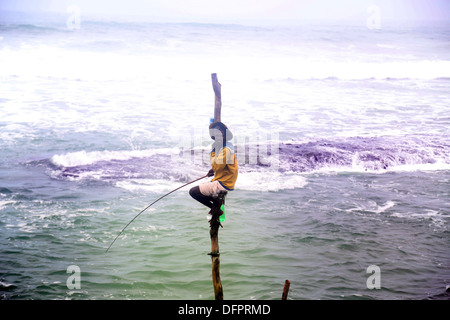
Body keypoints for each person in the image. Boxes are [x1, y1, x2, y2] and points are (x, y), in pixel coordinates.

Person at [189, 121, 238, 222]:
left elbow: (218, 167)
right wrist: (212, 170)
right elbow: (220, 166)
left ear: (225, 134)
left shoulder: (225, 149)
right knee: (204, 188)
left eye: (220, 132)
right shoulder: (224, 146)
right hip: (223, 179)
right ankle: (217, 205)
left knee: (193, 192)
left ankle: (215, 208)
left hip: (224, 182)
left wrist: (213, 153)